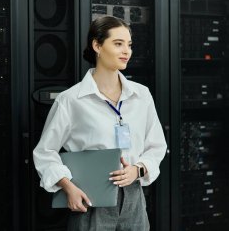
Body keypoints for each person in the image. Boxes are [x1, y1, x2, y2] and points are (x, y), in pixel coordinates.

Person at [32, 15, 167, 231]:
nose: (127, 51)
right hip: (91, 200)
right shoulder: (71, 99)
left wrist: (138, 170)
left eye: (129, 45)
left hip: (134, 199)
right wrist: (68, 188)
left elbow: (157, 146)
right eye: (118, 44)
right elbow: (44, 153)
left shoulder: (142, 95)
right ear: (97, 45)